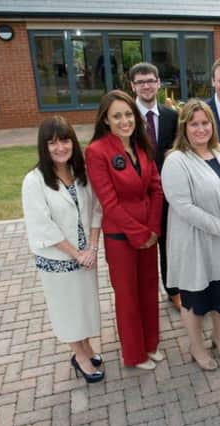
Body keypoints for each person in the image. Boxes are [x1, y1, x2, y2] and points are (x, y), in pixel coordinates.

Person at [161, 99, 220, 371]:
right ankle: (196, 347)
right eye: (193, 124)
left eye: (205, 123)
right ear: (184, 127)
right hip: (196, 242)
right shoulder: (176, 161)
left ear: (213, 125)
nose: (200, 129)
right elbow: (184, 207)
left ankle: (218, 338)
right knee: (196, 299)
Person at [85, 90, 164, 370]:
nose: (124, 121)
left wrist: (153, 228)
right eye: (116, 116)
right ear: (106, 120)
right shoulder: (96, 152)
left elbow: (156, 188)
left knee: (149, 289)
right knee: (128, 296)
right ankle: (135, 354)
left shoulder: (142, 146)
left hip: (148, 233)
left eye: (128, 114)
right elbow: (109, 203)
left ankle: (151, 344)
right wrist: (139, 234)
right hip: (121, 238)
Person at [22, 116, 104, 383]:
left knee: (84, 307)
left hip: (85, 256)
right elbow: (43, 226)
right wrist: (76, 253)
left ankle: (87, 346)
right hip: (59, 259)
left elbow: (95, 209)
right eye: (52, 143)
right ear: (43, 147)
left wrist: (91, 247)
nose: (60, 147)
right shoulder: (34, 182)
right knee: (68, 310)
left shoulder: (82, 173)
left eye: (65, 140)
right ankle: (79, 356)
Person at [129, 62, 181, 311]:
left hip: (168, 193)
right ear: (133, 86)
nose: (146, 86)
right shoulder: (126, 118)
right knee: (141, 246)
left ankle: (173, 291)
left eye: (150, 80)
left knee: (168, 243)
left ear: (159, 83)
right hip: (137, 195)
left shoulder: (172, 116)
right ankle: (142, 295)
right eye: (140, 82)